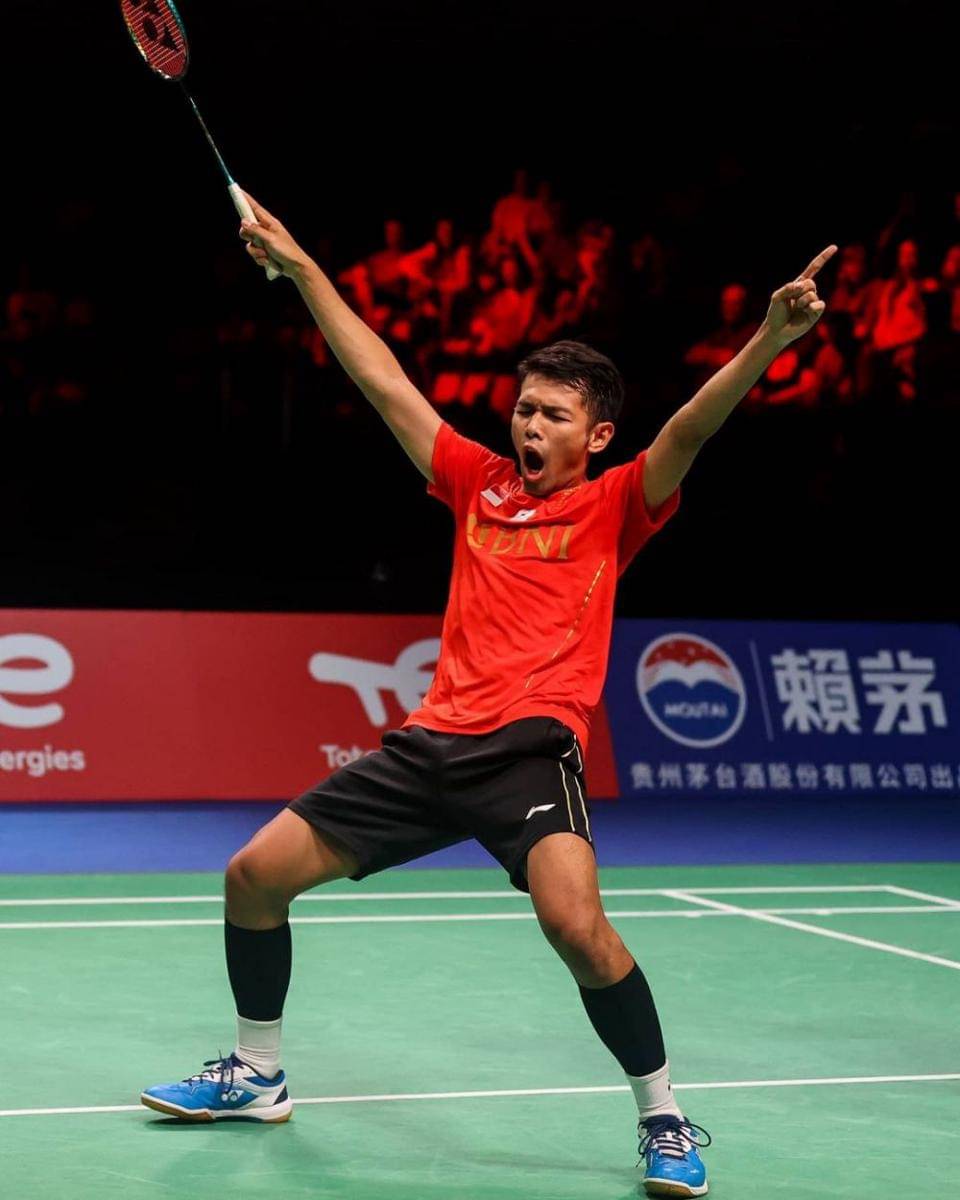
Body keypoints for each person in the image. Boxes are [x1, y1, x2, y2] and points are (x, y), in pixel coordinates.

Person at [141, 194, 835, 1198]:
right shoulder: (476, 483)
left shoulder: (616, 504)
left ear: (597, 435)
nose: (529, 424)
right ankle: (257, 1073)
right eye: (524, 408)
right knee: (252, 877)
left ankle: (663, 1116)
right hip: (429, 747)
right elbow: (382, 377)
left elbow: (691, 428)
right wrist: (301, 269)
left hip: (528, 754)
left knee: (578, 930)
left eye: (553, 414)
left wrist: (770, 339)